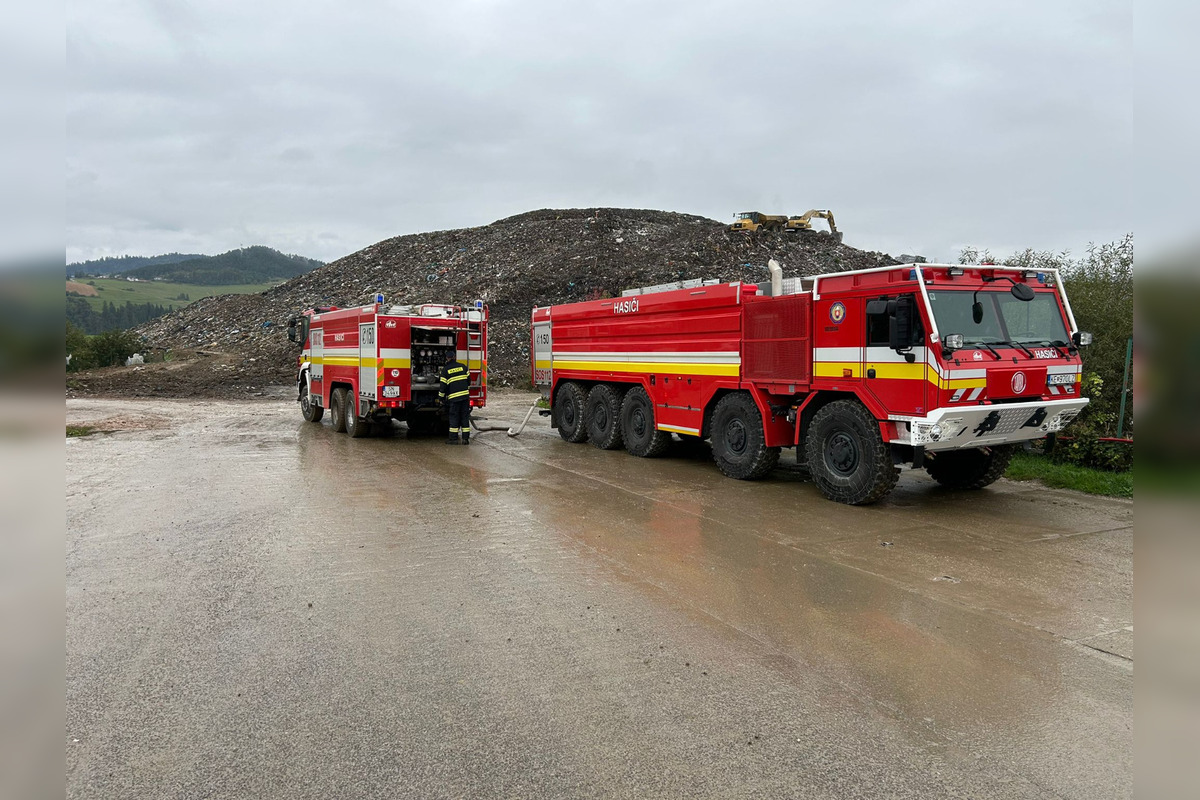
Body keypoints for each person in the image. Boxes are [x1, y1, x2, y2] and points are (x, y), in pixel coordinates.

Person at [439, 352, 472, 445]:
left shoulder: (445, 370)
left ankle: (453, 439)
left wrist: (441, 399)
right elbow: (469, 381)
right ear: (454, 357)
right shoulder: (463, 367)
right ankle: (465, 439)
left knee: (454, 417)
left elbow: (443, 387)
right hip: (465, 397)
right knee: (465, 417)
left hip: (454, 399)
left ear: (447, 358)